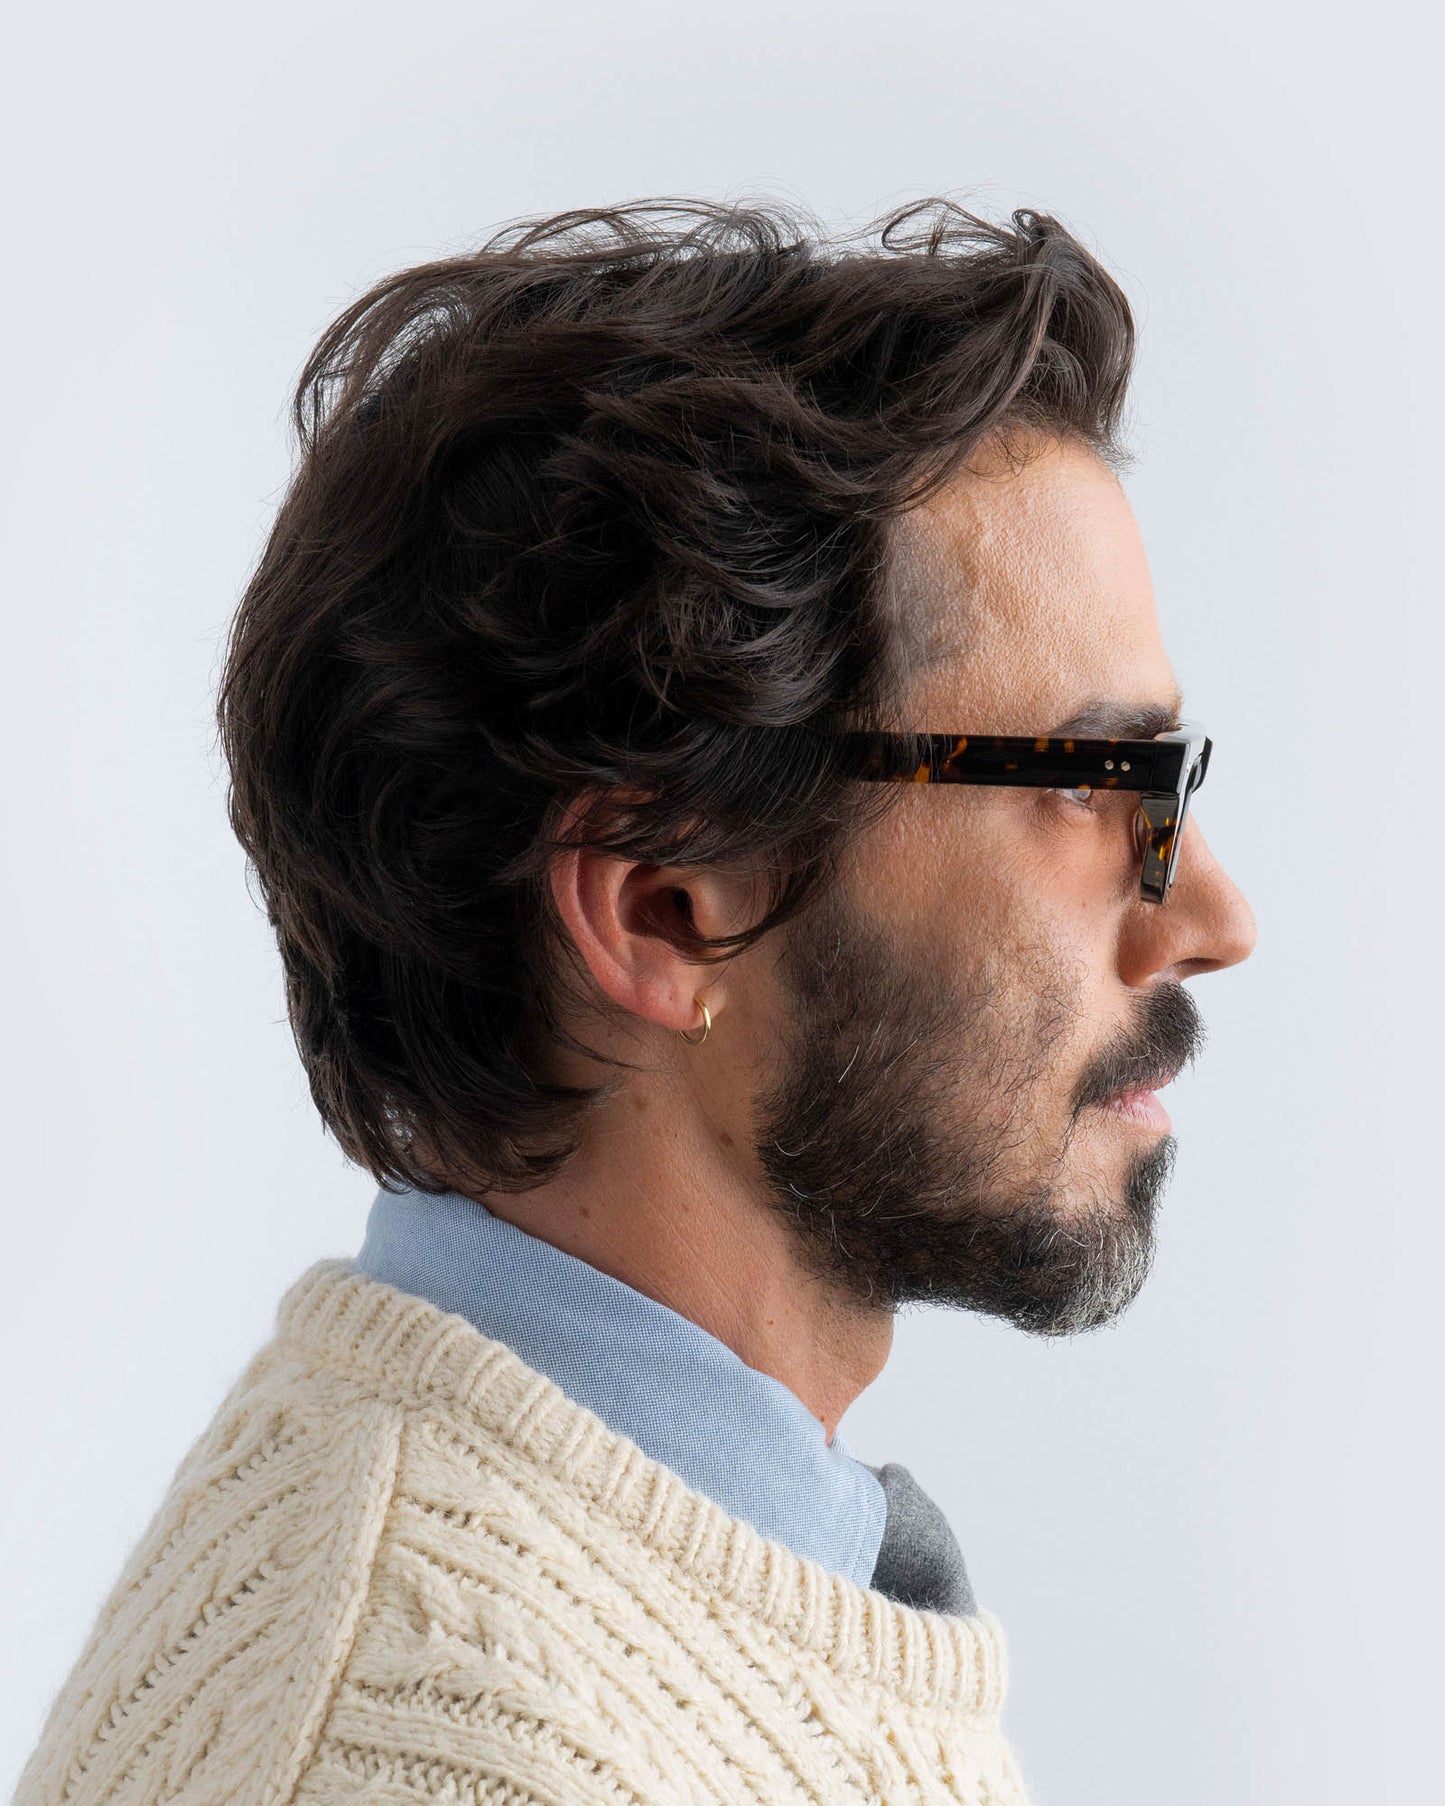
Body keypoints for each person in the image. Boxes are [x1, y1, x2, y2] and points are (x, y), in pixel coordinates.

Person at [15, 197, 1255, 1806]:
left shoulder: (652, 1588)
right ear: (663, 912)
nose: (1212, 916)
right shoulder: (451, 1756)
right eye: (1097, 783)